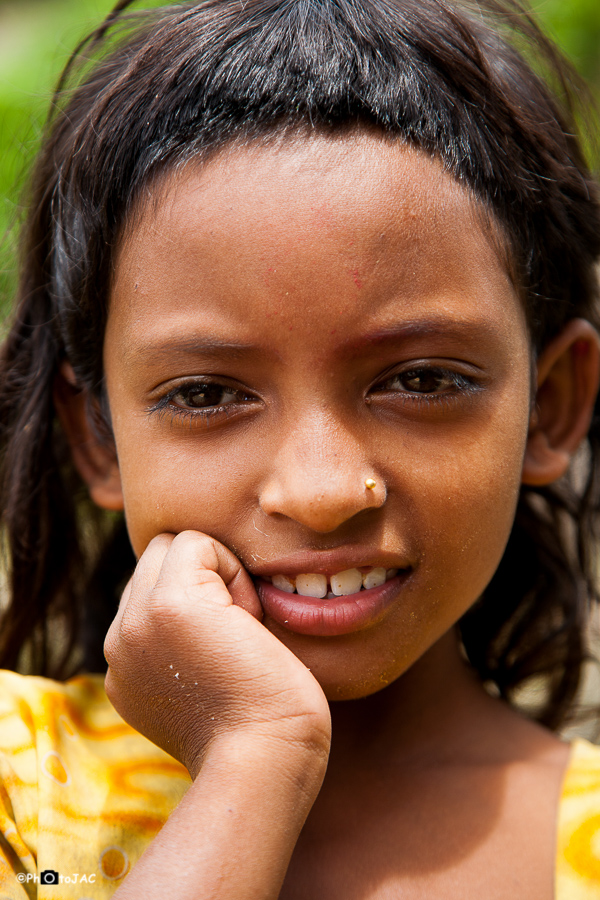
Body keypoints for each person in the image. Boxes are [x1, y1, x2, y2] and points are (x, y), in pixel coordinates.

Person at [0, 0, 600, 896]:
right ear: (100, 436)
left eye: (422, 380)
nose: (323, 491)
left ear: (551, 407)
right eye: (206, 394)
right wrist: (255, 759)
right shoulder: (17, 787)